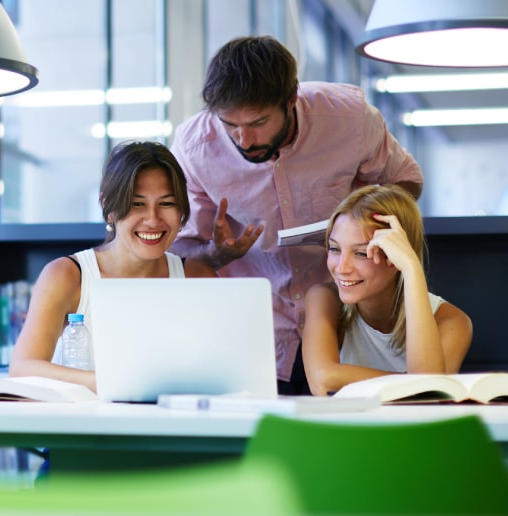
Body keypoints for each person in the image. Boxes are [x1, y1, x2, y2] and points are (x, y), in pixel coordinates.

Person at [170, 35, 423, 394]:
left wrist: (360, 223)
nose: (243, 139)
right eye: (229, 125)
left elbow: (406, 182)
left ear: (291, 101)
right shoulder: (194, 148)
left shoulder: (348, 118)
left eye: (258, 122)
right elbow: (177, 250)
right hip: (254, 334)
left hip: (350, 322)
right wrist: (216, 254)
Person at [9, 141, 216, 391]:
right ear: (109, 208)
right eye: (137, 203)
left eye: (166, 203)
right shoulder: (67, 275)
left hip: (171, 426)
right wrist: (109, 382)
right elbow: (23, 368)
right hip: (86, 424)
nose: (153, 219)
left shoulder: (198, 278)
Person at [300, 185, 472, 396]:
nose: (342, 268)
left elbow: (427, 395)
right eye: (335, 249)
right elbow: (323, 380)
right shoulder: (324, 298)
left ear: (396, 255)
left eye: (362, 253)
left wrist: (411, 268)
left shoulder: (453, 322)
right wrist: (412, 383)